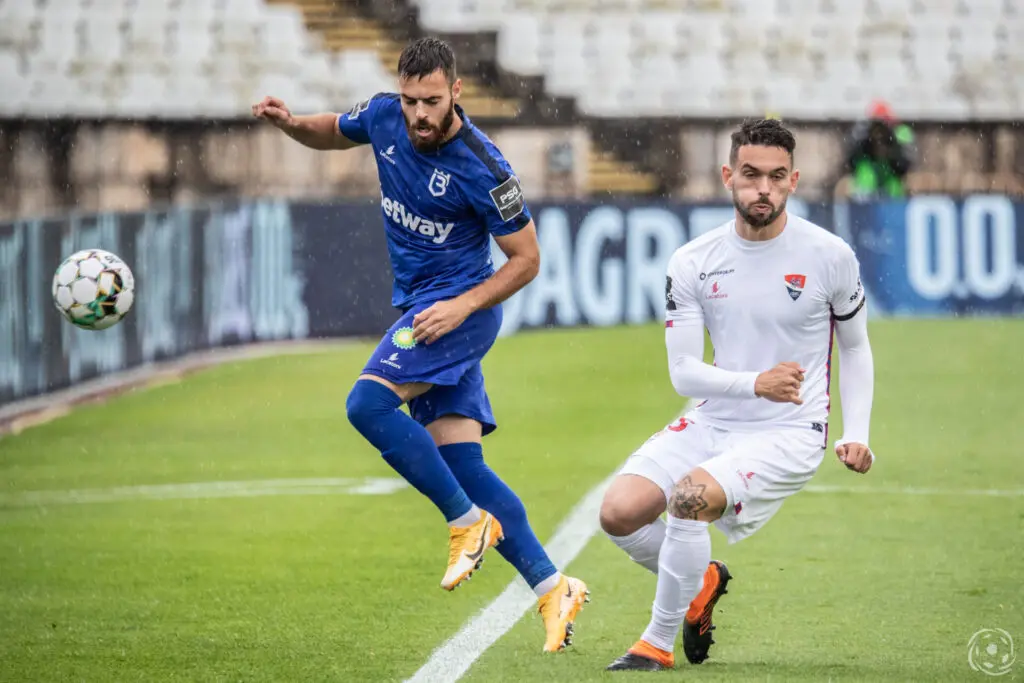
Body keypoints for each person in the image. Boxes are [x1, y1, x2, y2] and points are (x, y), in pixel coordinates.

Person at [251, 37, 588, 652]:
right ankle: (551, 586)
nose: (418, 115)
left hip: (456, 313)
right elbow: (333, 129)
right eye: (410, 101)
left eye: (431, 101)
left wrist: (460, 306)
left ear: (456, 91)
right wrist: (293, 124)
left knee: (367, 405)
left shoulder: (485, 166)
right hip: (423, 310)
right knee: (463, 465)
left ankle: (466, 525)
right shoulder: (384, 115)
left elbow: (528, 259)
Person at [600, 118, 875, 671]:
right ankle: (700, 580)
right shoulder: (694, 260)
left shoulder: (829, 255)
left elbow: (856, 347)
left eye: (776, 177)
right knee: (618, 514)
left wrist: (856, 433)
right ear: (728, 176)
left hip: (791, 431)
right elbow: (683, 373)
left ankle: (655, 643)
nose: (763, 189)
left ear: (794, 180)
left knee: (687, 500)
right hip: (714, 419)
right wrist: (756, 384)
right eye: (751, 175)